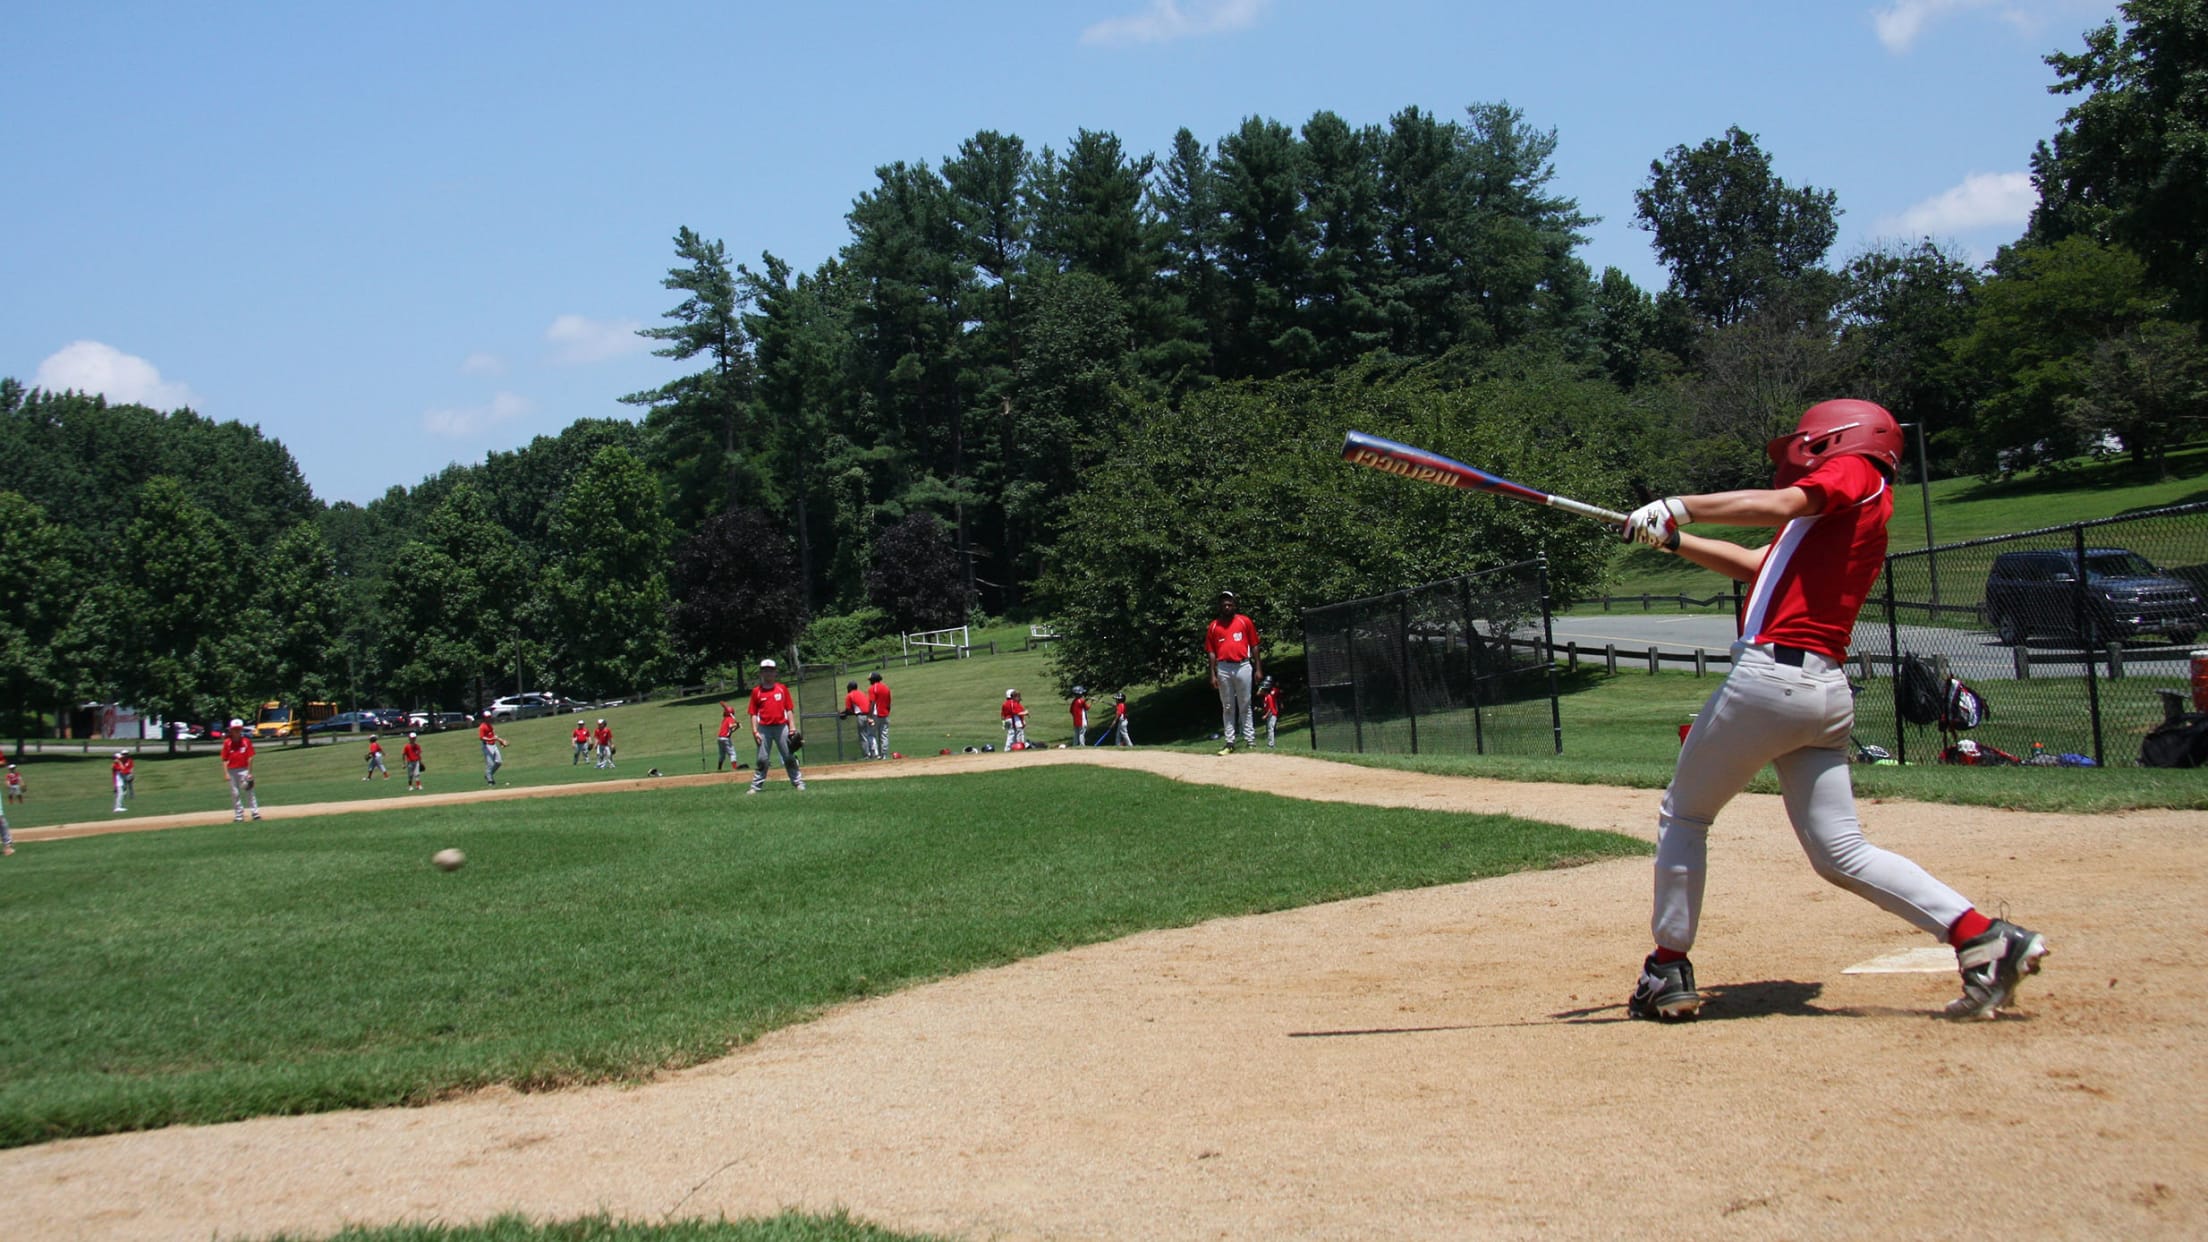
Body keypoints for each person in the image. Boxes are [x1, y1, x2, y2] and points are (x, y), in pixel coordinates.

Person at [1620, 399, 2048, 1022]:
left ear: (1836, 439)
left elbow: (1782, 502)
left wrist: (1679, 504)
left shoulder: (1857, 473)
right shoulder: (1834, 518)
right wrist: (1674, 539)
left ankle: (1666, 969)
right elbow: (1754, 565)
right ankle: (1982, 936)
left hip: (1770, 682)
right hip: (1819, 694)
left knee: (1684, 814)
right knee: (1840, 852)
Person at [1206, 589, 1263, 754]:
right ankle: (1230, 741)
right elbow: (1211, 652)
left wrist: (1258, 668)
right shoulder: (1214, 626)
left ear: (1234, 605)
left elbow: (1254, 645)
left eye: (1229, 604)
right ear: (1220, 606)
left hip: (1243, 665)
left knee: (1245, 704)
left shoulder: (1244, 622)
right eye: (1224, 604)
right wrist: (1213, 674)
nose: (1227, 607)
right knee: (1228, 706)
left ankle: (1250, 740)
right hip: (1224, 667)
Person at [749, 657, 803, 793]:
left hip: (781, 727)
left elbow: (789, 709)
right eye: (765, 670)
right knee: (762, 759)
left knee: (788, 756)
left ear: (775, 673)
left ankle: (798, 783)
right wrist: (755, 731)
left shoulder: (782, 689)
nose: (768, 673)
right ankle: (755, 787)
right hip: (764, 729)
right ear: (761, 673)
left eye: (771, 670)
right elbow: (753, 713)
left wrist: (792, 727)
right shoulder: (756, 691)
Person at [220, 718, 261, 822]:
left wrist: (249, 772)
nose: (237, 731)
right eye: (235, 729)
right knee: (235, 793)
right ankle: (239, 815)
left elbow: (250, 757)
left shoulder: (246, 741)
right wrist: (226, 773)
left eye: (238, 729)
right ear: (231, 730)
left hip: (244, 769)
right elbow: (224, 759)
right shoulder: (227, 743)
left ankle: (255, 813)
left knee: (249, 791)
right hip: (232, 770)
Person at [843, 680, 878, 760]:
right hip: (870, 715)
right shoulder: (861, 693)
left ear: (850, 688)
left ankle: (867, 755)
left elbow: (848, 709)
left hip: (861, 716)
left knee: (863, 736)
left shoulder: (850, 695)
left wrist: (844, 714)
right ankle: (875, 753)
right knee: (871, 735)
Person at [478, 712, 510, 786]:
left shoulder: (490, 725)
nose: (488, 718)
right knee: (490, 764)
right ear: (484, 718)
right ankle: (490, 780)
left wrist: (501, 741)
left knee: (499, 762)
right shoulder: (482, 727)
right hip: (487, 746)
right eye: (487, 717)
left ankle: (488, 774)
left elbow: (494, 736)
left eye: (489, 717)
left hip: (493, 745)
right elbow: (481, 738)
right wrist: (491, 739)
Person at [867, 672, 892, 758]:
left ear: (873, 680)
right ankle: (884, 755)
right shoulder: (886, 688)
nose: (870, 682)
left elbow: (872, 702)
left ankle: (875, 753)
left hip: (875, 714)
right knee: (884, 735)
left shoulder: (872, 688)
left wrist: (869, 716)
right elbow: (889, 703)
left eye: (870, 680)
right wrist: (887, 712)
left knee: (871, 734)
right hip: (885, 714)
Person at [1258, 675, 1281, 749]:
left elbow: (1271, 708)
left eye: (1262, 689)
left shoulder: (1269, 697)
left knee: (1270, 729)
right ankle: (1270, 744)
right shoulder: (1266, 697)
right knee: (1269, 729)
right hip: (1270, 715)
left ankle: (1271, 745)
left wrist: (1265, 715)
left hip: (1272, 714)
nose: (1260, 690)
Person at [716, 703, 739, 771]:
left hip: (719, 738)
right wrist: (736, 724)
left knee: (722, 754)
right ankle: (734, 768)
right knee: (732, 754)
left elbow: (730, 730)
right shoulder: (730, 718)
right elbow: (731, 726)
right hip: (725, 738)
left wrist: (737, 727)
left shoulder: (725, 719)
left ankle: (719, 768)